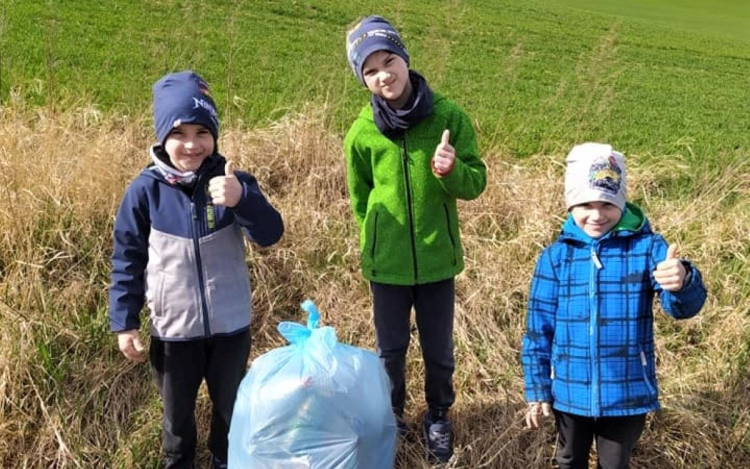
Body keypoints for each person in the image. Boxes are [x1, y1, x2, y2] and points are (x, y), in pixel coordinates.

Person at [108, 71, 284, 469]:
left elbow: (271, 233)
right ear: (161, 137)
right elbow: (126, 258)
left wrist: (242, 201)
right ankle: (178, 461)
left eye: (202, 131)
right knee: (176, 418)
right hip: (173, 332)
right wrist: (124, 321)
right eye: (179, 132)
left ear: (215, 135)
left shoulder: (232, 182)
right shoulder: (144, 191)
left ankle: (226, 458)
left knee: (230, 407)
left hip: (231, 328)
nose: (191, 144)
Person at [343, 15, 487, 464]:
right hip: (386, 265)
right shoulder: (362, 132)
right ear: (362, 79)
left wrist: (450, 172)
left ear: (405, 58)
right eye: (370, 70)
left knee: (438, 349)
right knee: (390, 350)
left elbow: (475, 182)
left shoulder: (447, 116)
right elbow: (361, 197)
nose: (383, 74)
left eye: (389, 60)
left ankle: (439, 414)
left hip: (436, 259)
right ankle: (392, 415)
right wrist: (374, 240)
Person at [521, 143, 707, 469]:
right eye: (586, 204)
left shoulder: (647, 248)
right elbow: (539, 329)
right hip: (569, 391)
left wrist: (683, 280)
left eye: (607, 203)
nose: (597, 214)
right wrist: (538, 388)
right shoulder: (554, 258)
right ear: (570, 204)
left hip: (627, 391)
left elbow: (680, 308)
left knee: (615, 464)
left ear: (621, 202)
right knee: (568, 459)